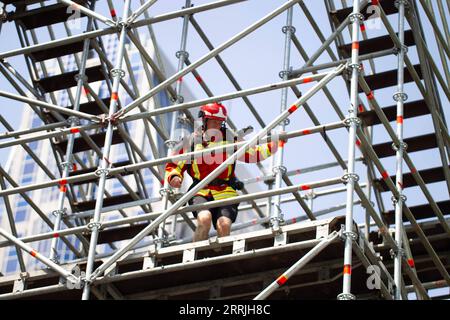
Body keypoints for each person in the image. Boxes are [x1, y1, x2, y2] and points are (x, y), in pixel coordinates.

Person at [165, 102, 283, 241]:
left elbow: (253, 154)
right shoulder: (191, 141)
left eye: (219, 122)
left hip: (226, 190)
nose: (216, 125)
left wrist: (275, 143)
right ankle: (196, 254)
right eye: (213, 121)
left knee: (224, 224)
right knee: (204, 219)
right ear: (204, 120)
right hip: (200, 190)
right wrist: (174, 177)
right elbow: (174, 164)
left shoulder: (230, 139)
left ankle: (219, 256)